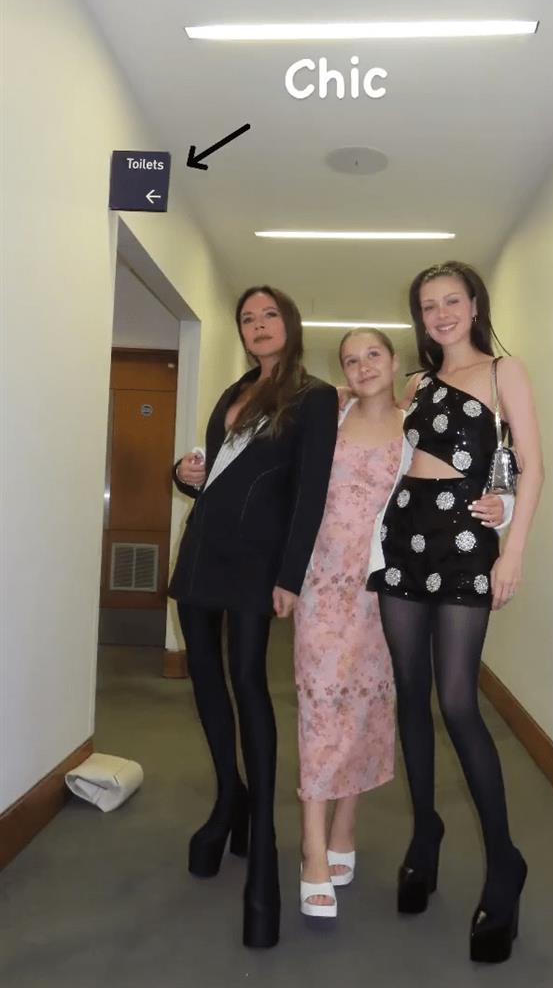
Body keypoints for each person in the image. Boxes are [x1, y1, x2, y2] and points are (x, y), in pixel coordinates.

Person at [293, 327, 507, 919]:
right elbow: (288, 484)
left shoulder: (418, 423)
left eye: (373, 355)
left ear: (396, 364)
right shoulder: (328, 418)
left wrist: (504, 508)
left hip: (388, 587)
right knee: (319, 706)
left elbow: (477, 469)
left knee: (366, 707)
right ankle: (312, 846)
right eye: (350, 359)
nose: (362, 366)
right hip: (322, 586)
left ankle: (345, 825)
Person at [367, 261, 544, 964]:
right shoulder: (415, 384)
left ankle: (504, 863)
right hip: (404, 536)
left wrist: (512, 545)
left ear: (474, 305)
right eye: (427, 304)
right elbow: (382, 450)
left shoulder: (505, 372)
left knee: (458, 701)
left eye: (451, 301)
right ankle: (425, 832)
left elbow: (530, 464)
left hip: (467, 540)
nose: (440, 313)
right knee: (410, 693)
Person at [169, 286, 338, 949]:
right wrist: (183, 474)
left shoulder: (313, 397)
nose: (258, 325)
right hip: (202, 553)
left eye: (269, 315)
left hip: (255, 562)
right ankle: (228, 798)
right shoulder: (234, 392)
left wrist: (290, 576)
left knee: (247, 681)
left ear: (289, 324)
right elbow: (215, 475)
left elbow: (310, 493)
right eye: (248, 318)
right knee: (204, 678)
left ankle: (262, 836)